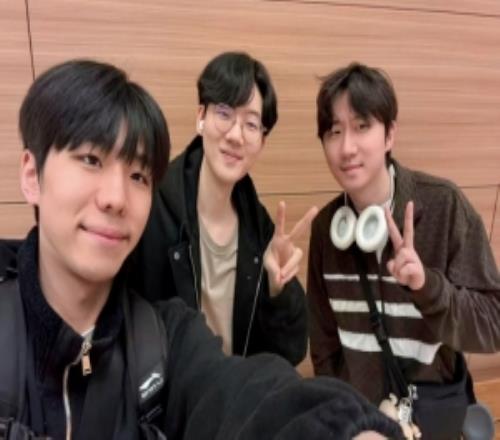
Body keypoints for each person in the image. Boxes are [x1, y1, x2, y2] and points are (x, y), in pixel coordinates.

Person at [0, 59, 403, 440]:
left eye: (138, 175)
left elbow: (244, 384)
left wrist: (349, 428)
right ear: (32, 175)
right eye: (91, 159)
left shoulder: (254, 233)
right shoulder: (160, 215)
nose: (116, 198)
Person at [307, 62, 500, 413]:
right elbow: (323, 345)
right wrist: (345, 415)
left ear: (389, 135)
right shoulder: (327, 229)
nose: (347, 147)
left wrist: (428, 287)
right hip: (361, 422)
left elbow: (494, 324)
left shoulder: (444, 206)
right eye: (334, 131)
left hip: (430, 413)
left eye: (362, 126)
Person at [132, 51, 316, 363]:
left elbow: (292, 351)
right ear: (200, 117)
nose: (235, 135)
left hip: (234, 389)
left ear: (261, 142)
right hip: (171, 390)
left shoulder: (259, 229)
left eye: (251, 124)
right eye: (224, 113)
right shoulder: (152, 208)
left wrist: (278, 291)